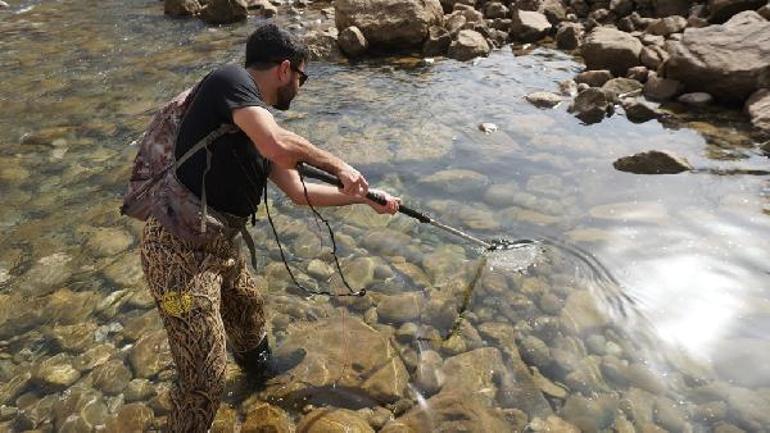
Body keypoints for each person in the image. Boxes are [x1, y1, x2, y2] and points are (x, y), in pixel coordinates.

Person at [138, 23, 400, 433]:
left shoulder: (254, 127)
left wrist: (362, 198)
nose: (300, 86)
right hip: (176, 251)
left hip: (219, 246)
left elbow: (297, 191)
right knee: (204, 377)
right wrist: (341, 166)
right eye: (302, 76)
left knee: (248, 317)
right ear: (284, 69)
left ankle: (258, 386)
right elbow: (279, 144)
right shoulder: (230, 82)